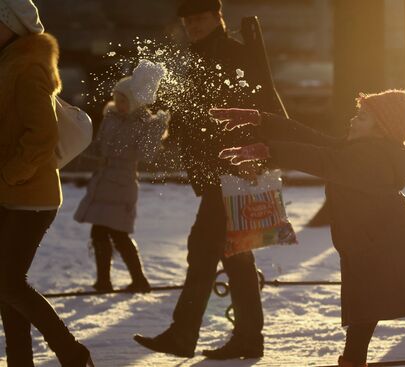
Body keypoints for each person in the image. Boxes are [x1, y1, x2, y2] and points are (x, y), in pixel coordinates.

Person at [211, 90, 405, 367]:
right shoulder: (360, 151)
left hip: (393, 252)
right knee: (369, 324)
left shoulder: (370, 160)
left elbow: (320, 158)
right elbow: (313, 139)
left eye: (362, 117)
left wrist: (267, 150)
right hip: (371, 250)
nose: (354, 120)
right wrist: (260, 119)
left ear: (382, 128)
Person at [134, 0, 285, 360]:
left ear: (217, 18)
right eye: (188, 21)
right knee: (235, 254)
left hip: (231, 170)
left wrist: (252, 154)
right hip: (225, 170)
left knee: (204, 249)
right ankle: (246, 336)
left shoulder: (230, 53)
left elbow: (253, 104)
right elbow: (206, 109)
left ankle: (185, 334)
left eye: (200, 18)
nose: (193, 26)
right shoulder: (206, 53)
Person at [0, 0, 94, 365]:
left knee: (8, 283)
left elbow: (41, 135)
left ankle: (72, 353)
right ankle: (20, 360)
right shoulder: (8, 62)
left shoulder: (27, 65)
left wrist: (9, 174)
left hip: (30, 196)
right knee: (5, 286)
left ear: (11, 25)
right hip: (11, 193)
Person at [74, 60, 170, 293]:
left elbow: (147, 154)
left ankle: (139, 280)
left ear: (135, 101)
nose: (119, 103)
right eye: (117, 98)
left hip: (122, 183)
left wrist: (158, 128)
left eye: (124, 99)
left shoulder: (143, 123)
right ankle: (103, 281)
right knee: (99, 232)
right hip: (103, 181)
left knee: (119, 234)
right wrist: (75, 142)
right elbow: (99, 146)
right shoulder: (111, 117)